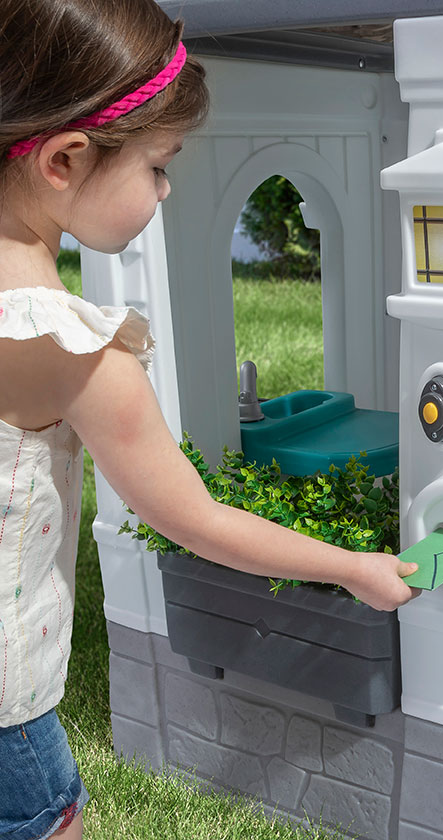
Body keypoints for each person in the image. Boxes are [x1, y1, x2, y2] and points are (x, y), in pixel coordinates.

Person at [0, 2, 418, 837]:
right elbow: (194, 519)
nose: (163, 189)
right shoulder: (74, 349)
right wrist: (353, 568)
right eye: (159, 166)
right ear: (65, 159)